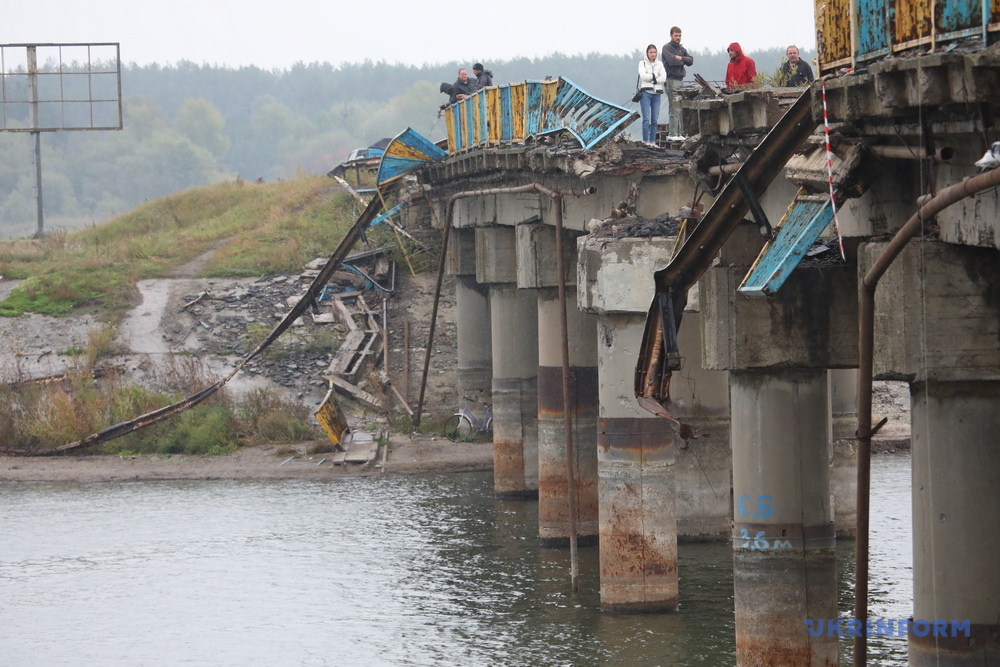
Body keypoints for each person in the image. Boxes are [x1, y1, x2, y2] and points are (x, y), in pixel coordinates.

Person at [661, 26, 694, 138]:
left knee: (681, 107)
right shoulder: (666, 48)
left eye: (679, 35)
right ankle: (673, 133)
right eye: (676, 35)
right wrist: (682, 60)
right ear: (671, 35)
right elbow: (671, 61)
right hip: (671, 80)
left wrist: (680, 58)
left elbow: (691, 60)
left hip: (681, 80)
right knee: (674, 107)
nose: (678, 38)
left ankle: (679, 133)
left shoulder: (681, 49)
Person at [637, 44, 667, 146]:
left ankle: (653, 142)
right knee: (646, 119)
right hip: (645, 93)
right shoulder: (642, 63)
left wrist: (653, 79)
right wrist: (655, 77)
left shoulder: (660, 64)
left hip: (657, 94)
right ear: (647, 53)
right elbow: (643, 77)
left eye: (654, 52)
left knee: (654, 119)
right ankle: (646, 141)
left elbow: (664, 77)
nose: (653, 54)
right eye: (651, 52)